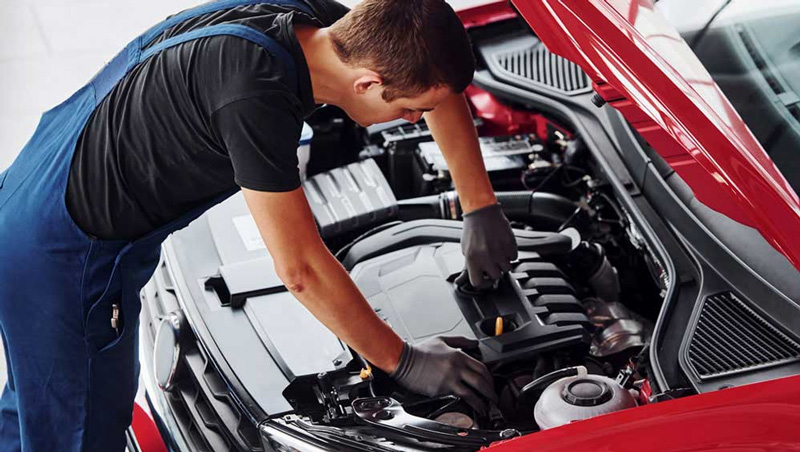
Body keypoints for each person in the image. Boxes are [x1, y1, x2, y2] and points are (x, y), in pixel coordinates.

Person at [0, 0, 518, 450]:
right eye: (409, 112)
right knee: (79, 429)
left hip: (36, 184)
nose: (412, 122)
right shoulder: (257, 97)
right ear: (368, 84)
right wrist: (403, 362)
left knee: (32, 407)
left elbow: (437, 88)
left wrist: (479, 204)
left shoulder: (322, 26)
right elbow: (300, 269)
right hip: (61, 258)